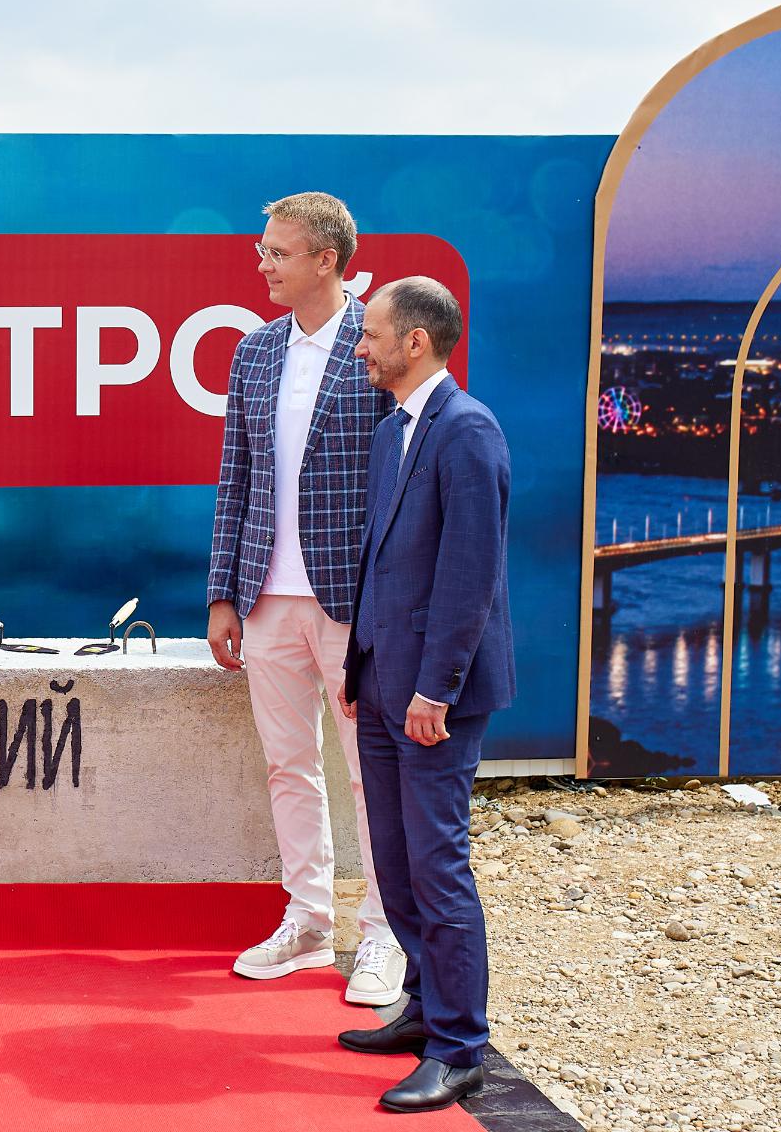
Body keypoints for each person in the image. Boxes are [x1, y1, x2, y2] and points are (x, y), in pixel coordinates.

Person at [206, 192, 408, 1006]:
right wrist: (223, 594)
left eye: (278, 252)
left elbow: (410, 481)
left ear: (327, 260)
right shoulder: (253, 352)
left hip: (355, 603)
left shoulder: (380, 344)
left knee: (371, 775)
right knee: (289, 765)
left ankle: (385, 933)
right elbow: (236, 478)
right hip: (265, 598)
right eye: (264, 249)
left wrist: (393, 600)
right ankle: (310, 920)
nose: (262, 263)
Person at [337, 276, 514, 1113]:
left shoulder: (469, 430)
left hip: (432, 699)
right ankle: (423, 1009)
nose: (360, 348)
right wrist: (358, 671)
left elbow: (470, 576)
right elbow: (379, 562)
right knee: (396, 861)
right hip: (381, 684)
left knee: (438, 865)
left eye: (371, 335)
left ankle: (459, 1048)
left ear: (416, 341)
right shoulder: (392, 431)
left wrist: (434, 690)